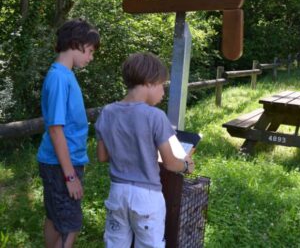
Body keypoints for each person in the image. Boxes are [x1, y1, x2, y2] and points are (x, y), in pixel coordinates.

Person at [95, 52, 194, 247]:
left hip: (118, 193)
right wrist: (186, 166)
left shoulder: (107, 112)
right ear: (150, 81)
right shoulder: (155, 116)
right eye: (162, 86)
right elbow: (170, 163)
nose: (163, 93)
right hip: (147, 198)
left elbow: (102, 156)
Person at [37, 18, 100, 248]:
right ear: (77, 44)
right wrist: (70, 176)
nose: (91, 57)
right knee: (71, 223)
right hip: (61, 165)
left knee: (56, 218)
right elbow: (55, 129)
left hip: (63, 163)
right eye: (90, 51)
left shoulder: (65, 75)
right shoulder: (59, 78)